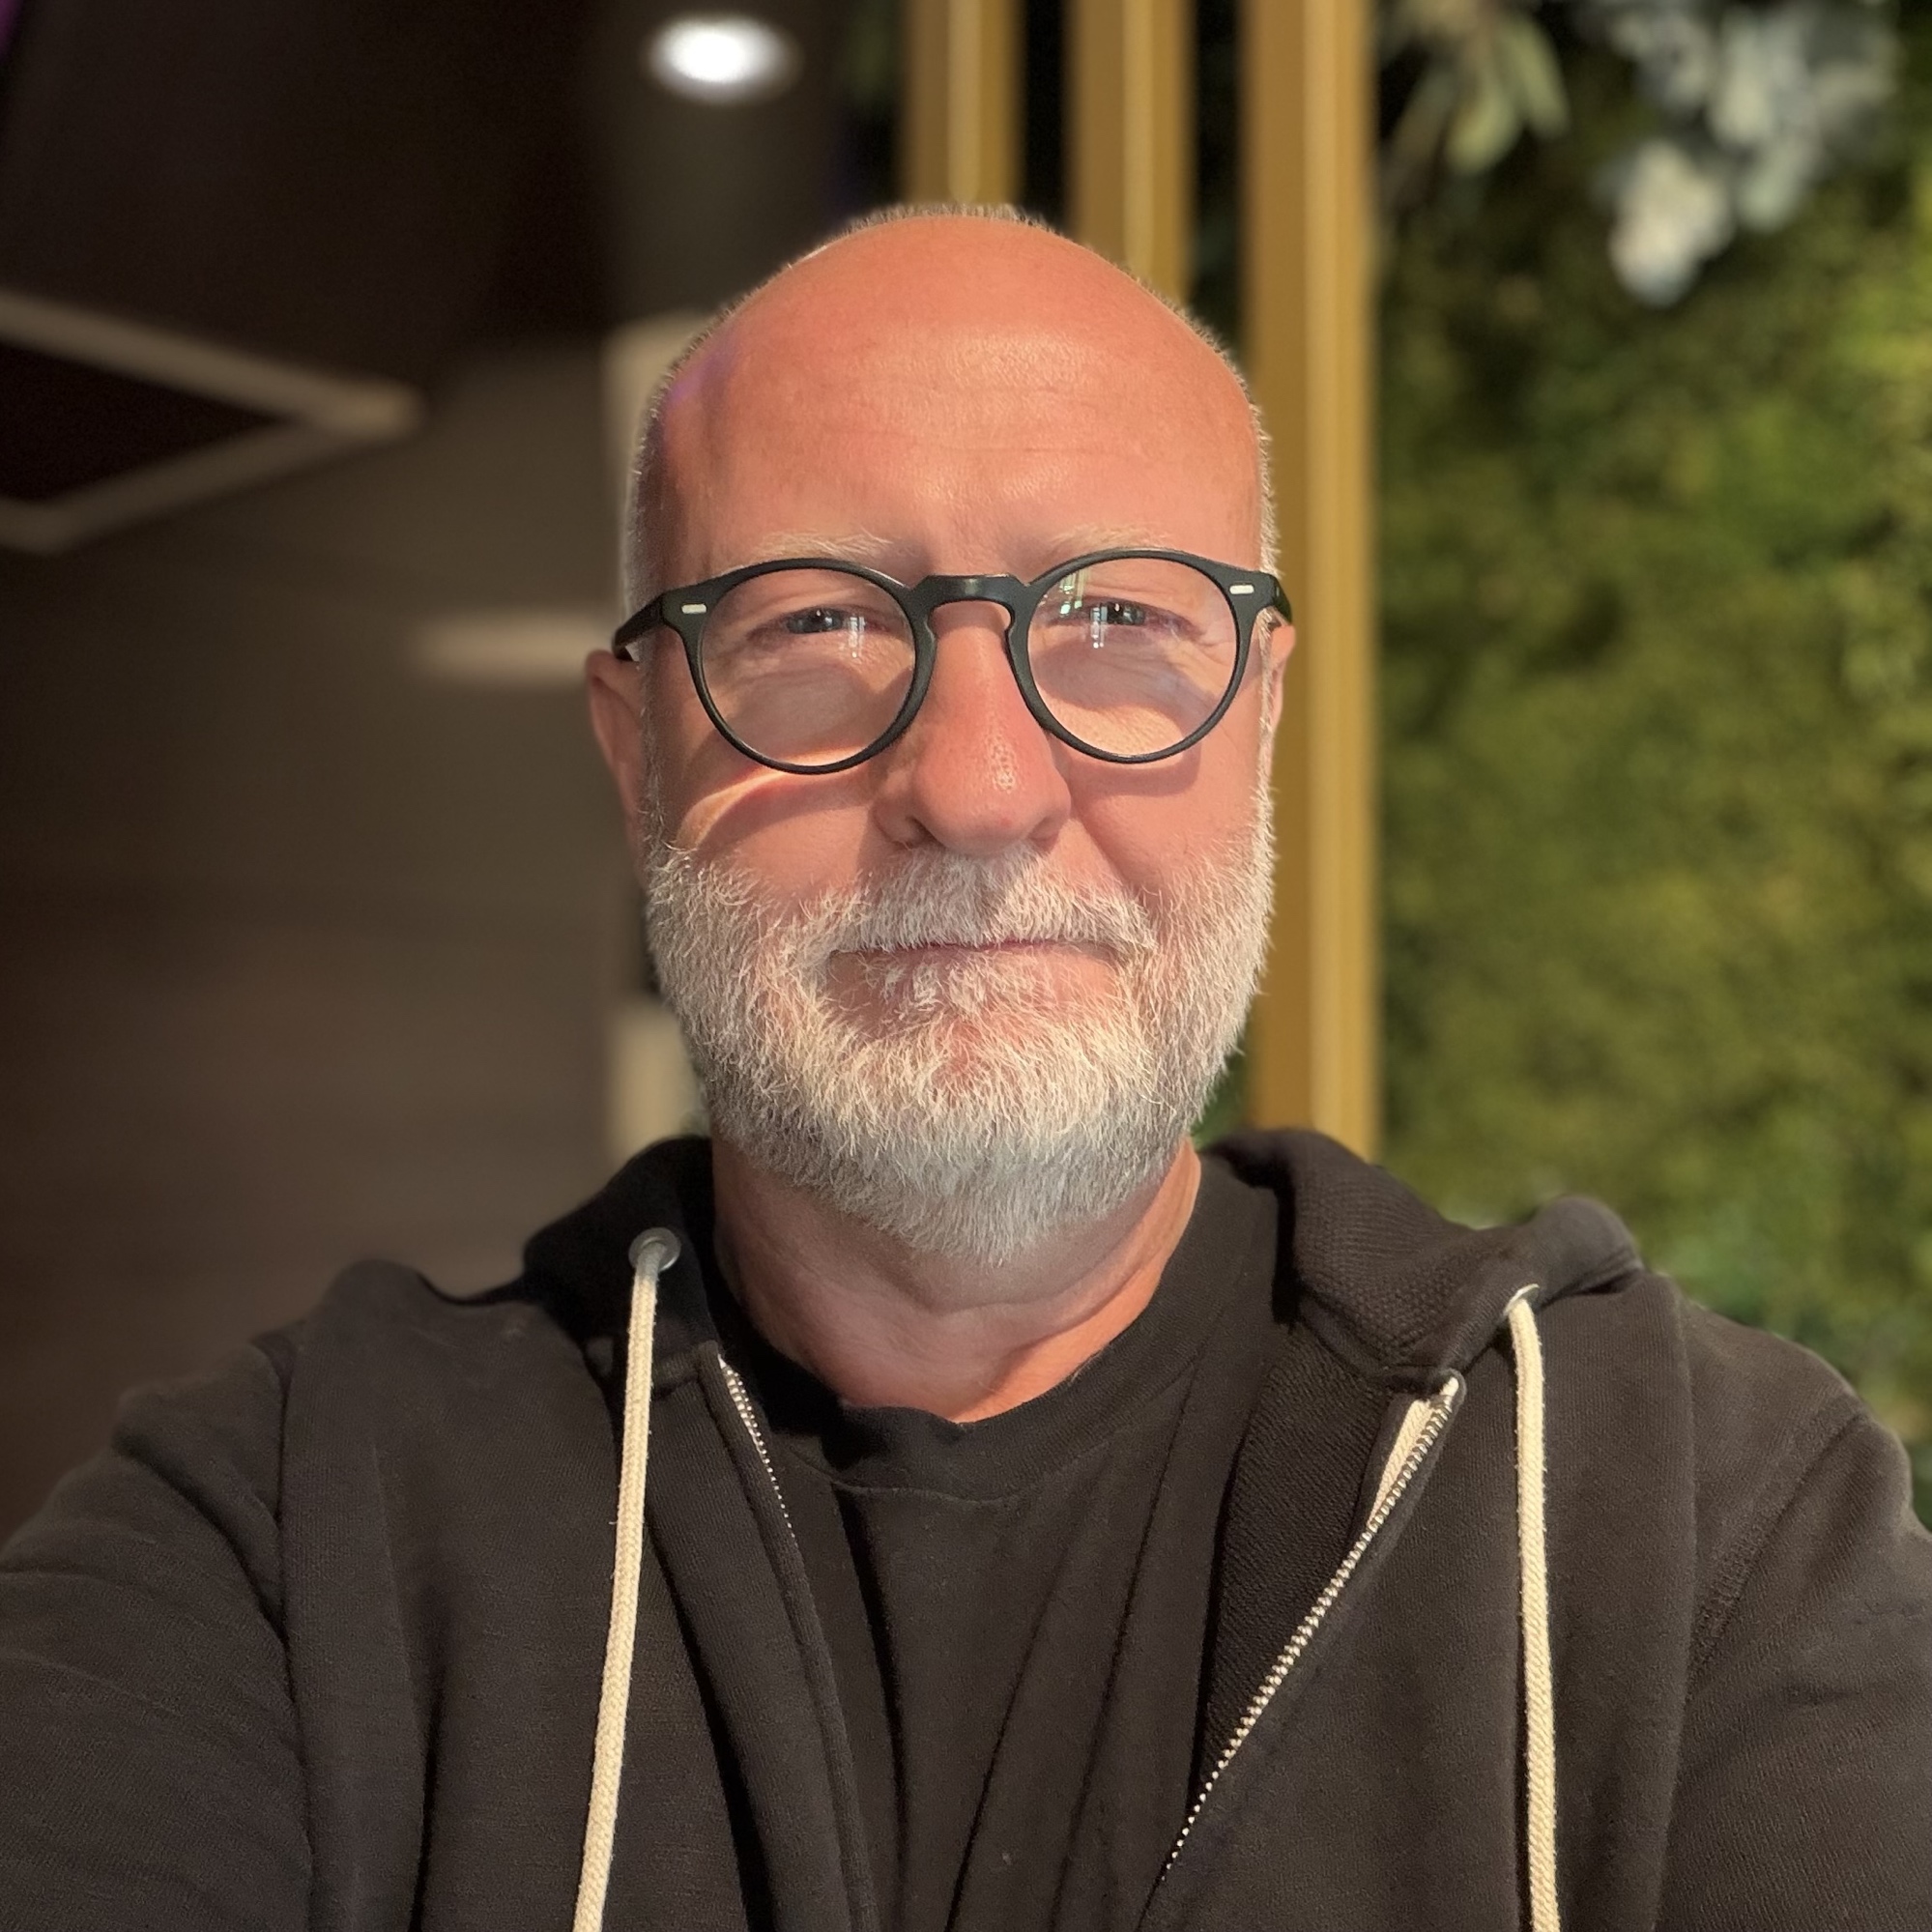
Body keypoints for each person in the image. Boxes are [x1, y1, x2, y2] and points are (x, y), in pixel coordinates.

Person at [2, 208, 1928, 1932]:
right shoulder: (279, 1540)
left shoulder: (1691, 1523)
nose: (982, 786)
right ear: (635, 749)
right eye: (819, 622)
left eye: (1116, 619)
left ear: (1258, 719)